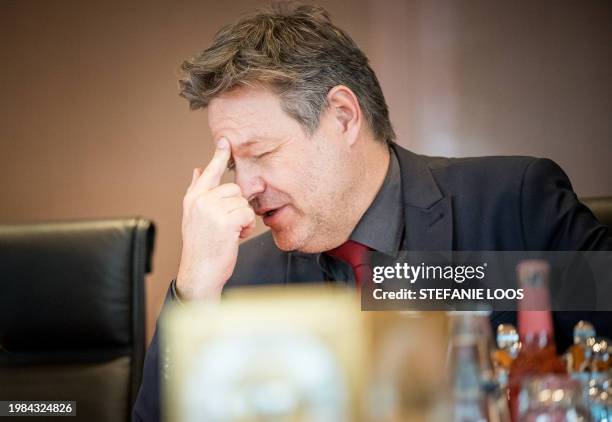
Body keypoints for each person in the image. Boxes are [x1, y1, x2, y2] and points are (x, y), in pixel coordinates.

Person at [132, 4, 611, 421]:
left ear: (343, 116)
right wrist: (194, 293)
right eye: (236, 164)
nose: (246, 188)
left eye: (262, 153)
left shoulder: (514, 204)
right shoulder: (240, 280)